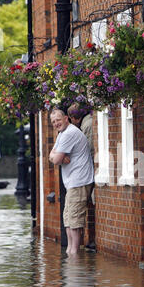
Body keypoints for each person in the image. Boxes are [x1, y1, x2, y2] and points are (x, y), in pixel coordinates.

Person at [49, 108, 94, 257]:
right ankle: (70, 251)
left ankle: (74, 252)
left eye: (58, 120)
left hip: (79, 181)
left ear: (66, 118)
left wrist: (57, 157)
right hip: (72, 182)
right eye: (53, 121)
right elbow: (52, 156)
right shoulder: (62, 134)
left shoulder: (69, 133)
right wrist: (57, 156)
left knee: (74, 219)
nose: (56, 123)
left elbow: (55, 159)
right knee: (68, 218)